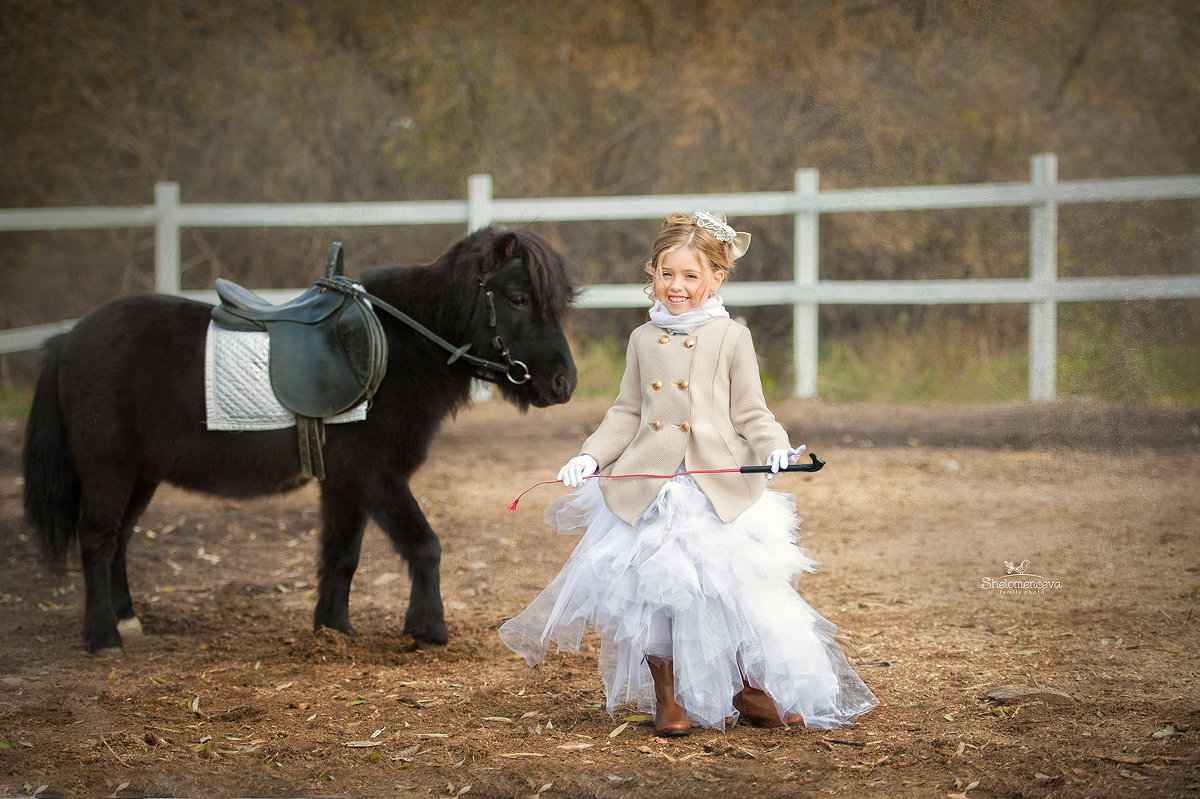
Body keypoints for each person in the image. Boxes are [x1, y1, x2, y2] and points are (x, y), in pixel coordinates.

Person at [499, 211, 877, 736]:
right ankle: (668, 695)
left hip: (715, 482)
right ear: (652, 273)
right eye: (666, 274)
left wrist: (775, 448)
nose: (677, 287)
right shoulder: (641, 339)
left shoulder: (731, 338)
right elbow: (626, 412)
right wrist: (593, 455)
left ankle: (748, 684)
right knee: (655, 592)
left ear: (716, 278)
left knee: (730, 585)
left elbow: (752, 413)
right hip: (650, 482)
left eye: (691, 276)